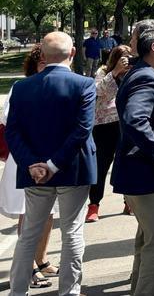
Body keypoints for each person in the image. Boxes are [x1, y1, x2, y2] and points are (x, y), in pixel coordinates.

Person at [5, 32, 98, 296]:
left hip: (35, 174)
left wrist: (33, 164)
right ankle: (69, 292)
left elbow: (13, 132)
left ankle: (18, 291)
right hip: (73, 168)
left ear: (43, 57)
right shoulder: (84, 84)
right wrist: (53, 164)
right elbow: (82, 129)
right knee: (72, 233)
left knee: (28, 234)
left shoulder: (21, 88)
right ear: (72, 54)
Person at [112, 26, 154, 296]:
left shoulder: (146, 74)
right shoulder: (146, 78)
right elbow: (134, 119)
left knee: (147, 241)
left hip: (142, 174)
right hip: (146, 174)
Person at [1, 44, 62, 289]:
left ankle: (42, 259)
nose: (48, 68)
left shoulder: (59, 85)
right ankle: (29, 268)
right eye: (43, 63)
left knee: (48, 214)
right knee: (28, 214)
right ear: (34, 65)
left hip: (51, 160)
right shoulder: (21, 88)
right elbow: (9, 123)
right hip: (26, 159)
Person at [88, 44, 134, 223]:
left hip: (125, 124)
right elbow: (98, 92)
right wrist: (115, 72)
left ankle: (129, 201)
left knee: (126, 164)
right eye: (123, 58)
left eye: (129, 57)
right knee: (100, 166)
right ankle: (94, 205)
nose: (126, 61)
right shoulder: (103, 72)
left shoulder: (134, 73)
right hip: (104, 125)